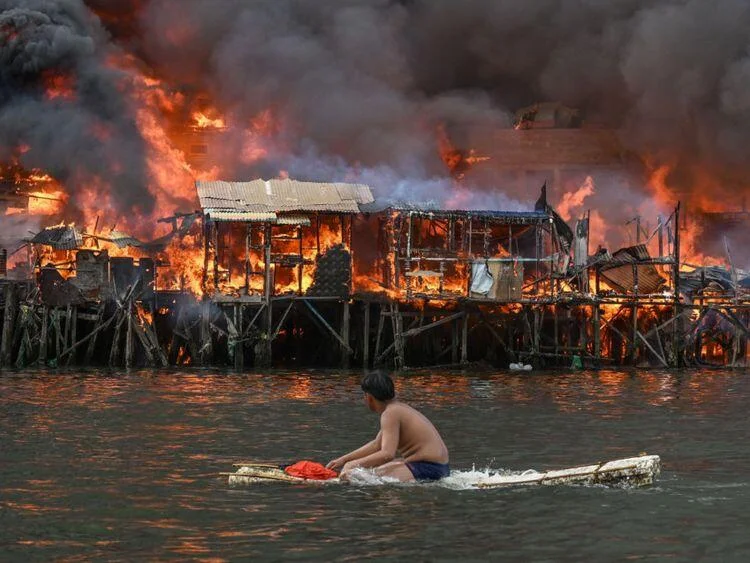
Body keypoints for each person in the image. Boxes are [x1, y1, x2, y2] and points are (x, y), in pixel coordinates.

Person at [327, 371, 450, 482]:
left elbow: (387, 454)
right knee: (373, 472)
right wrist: (343, 460)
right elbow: (377, 445)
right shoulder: (396, 409)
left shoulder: (390, 413)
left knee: (364, 477)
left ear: (369, 397)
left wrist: (351, 465)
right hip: (440, 467)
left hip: (429, 468)